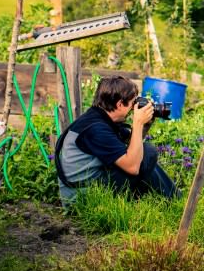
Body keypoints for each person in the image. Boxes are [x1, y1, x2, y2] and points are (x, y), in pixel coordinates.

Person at [55, 76, 178, 207]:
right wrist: (137, 123)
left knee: (143, 154)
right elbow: (132, 167)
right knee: (147, 153)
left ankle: (174, 199)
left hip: (92, 185)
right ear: (119, 104)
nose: (133, 108)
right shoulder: (96, 129)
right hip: (81, 200)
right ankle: (174, 200)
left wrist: (144, 125)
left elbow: (132, 148)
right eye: (132, 103)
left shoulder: (102, 118)